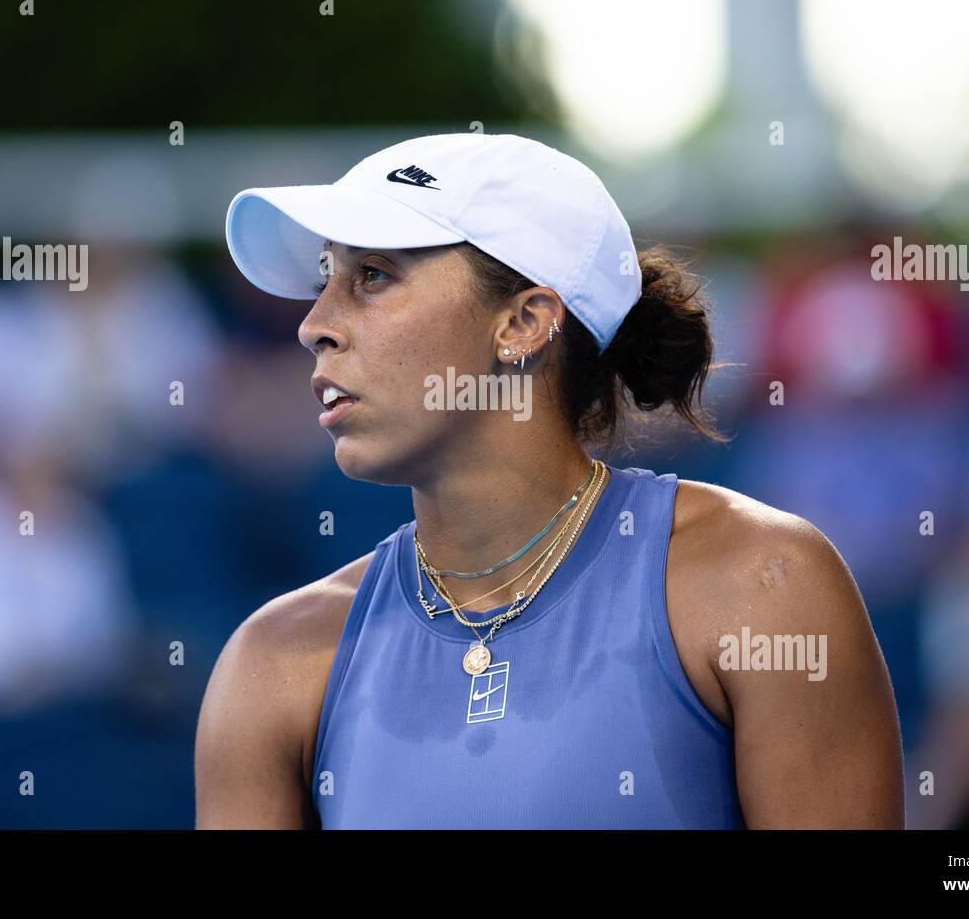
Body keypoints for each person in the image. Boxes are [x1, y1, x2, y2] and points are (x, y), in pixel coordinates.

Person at [195, 132, 904, 828]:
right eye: (326, 283)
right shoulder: (271, 664)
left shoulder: (765, 583)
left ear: (525, 322)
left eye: (372, 276)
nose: (314, 324)